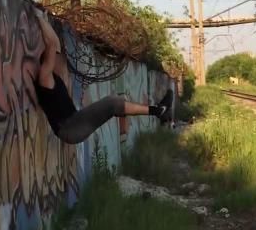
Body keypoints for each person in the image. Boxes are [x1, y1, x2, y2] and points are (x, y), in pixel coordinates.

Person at [34, 10, 173, 144]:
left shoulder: (51, 76)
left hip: (74, 123)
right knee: (112, 103)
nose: (58, 59)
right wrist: (38, 17)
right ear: (47, 62)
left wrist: (45, 20)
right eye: (52, 59)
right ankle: (158, 110)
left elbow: (55, 44)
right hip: (70, 129)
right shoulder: (45, 79)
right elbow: (51, 46)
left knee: (114, 103)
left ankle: (159, 111)